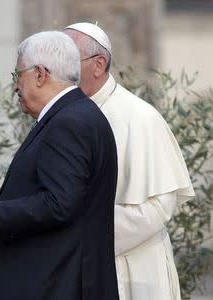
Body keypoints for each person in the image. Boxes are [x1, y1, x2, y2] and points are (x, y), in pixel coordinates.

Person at [0, 31, 119, 300]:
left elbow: (58, 204)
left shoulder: (68, 123)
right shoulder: (76, 115)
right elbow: (44, 202)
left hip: (56, 286)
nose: (16, 86)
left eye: (18, 75)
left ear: (40, 74)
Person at [63, 22, 195, 300]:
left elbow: (159, 206)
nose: (59, 69)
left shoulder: (140, 118)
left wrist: (80, 235)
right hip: (76, 269)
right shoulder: (59, 117)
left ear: (99, 64)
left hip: (135, 268)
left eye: (68, 59)